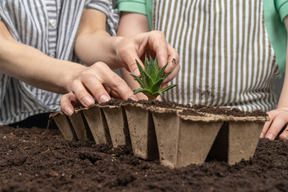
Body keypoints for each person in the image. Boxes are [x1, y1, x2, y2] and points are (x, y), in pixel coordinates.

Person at [116, 0, 288, 140]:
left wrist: (285, 110)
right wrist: (154, 109)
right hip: (170, 124)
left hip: (255, 128)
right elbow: (132, 39)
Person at [0, 0, 179, 127]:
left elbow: (89, 33)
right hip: (11, 118)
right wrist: (73, 74)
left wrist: (120, 46)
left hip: (75, 117)